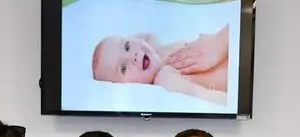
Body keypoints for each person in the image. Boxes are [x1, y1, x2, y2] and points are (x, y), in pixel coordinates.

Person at [91, 26, 229, 104]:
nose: (133, 56)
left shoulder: (158, 51)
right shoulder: (164, 79)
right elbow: (214, 99)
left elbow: (147, 36)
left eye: (127, 46)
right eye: (123, 68)